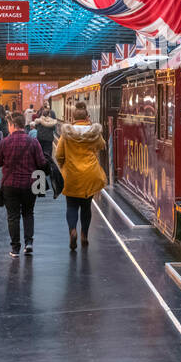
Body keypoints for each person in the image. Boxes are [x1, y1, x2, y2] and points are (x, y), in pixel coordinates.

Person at [0, 112, 46, 258]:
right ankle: (29, 243)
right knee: (28, 213)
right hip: (30, 184)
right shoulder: (33, 142)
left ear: (13, 125)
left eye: (9, 125)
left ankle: (15, 248)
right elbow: (42, 163)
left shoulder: (4, 143)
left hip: (10, 185)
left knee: (13, 216)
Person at [54, 101, 106, 250]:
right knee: (86, 207)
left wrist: (63, 166)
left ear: (73, 118)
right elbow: (101, 145)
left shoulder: (66, 134)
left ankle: (73, 231)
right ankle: (84, 235)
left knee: (71, 206)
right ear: (87, 117)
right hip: (90, 175)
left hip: (71, 175)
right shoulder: (93, 132)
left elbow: (59, 154)